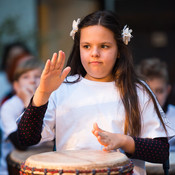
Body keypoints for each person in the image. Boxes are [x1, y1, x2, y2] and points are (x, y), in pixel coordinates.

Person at [17, 11, 173, 175]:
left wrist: (123, 141)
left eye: (104, 46)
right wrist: (43, 93)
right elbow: (26, 137)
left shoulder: (138, 90)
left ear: (119, 50)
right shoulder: (62, 88)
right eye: (86, 46)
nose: (94, 53)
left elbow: (161, 151)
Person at [0, 58, 43, 175]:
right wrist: (28, 103)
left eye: (37, 76)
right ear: (16, 85)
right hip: (13, 169)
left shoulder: (53, 102)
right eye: (26, 77)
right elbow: (22, 145)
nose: (32, 81)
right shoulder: (9, 107)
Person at [136, 58, 175, 152]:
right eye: (147, 91)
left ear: (168, 90)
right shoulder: (131, 118)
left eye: (159, 91)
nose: (153, 97)